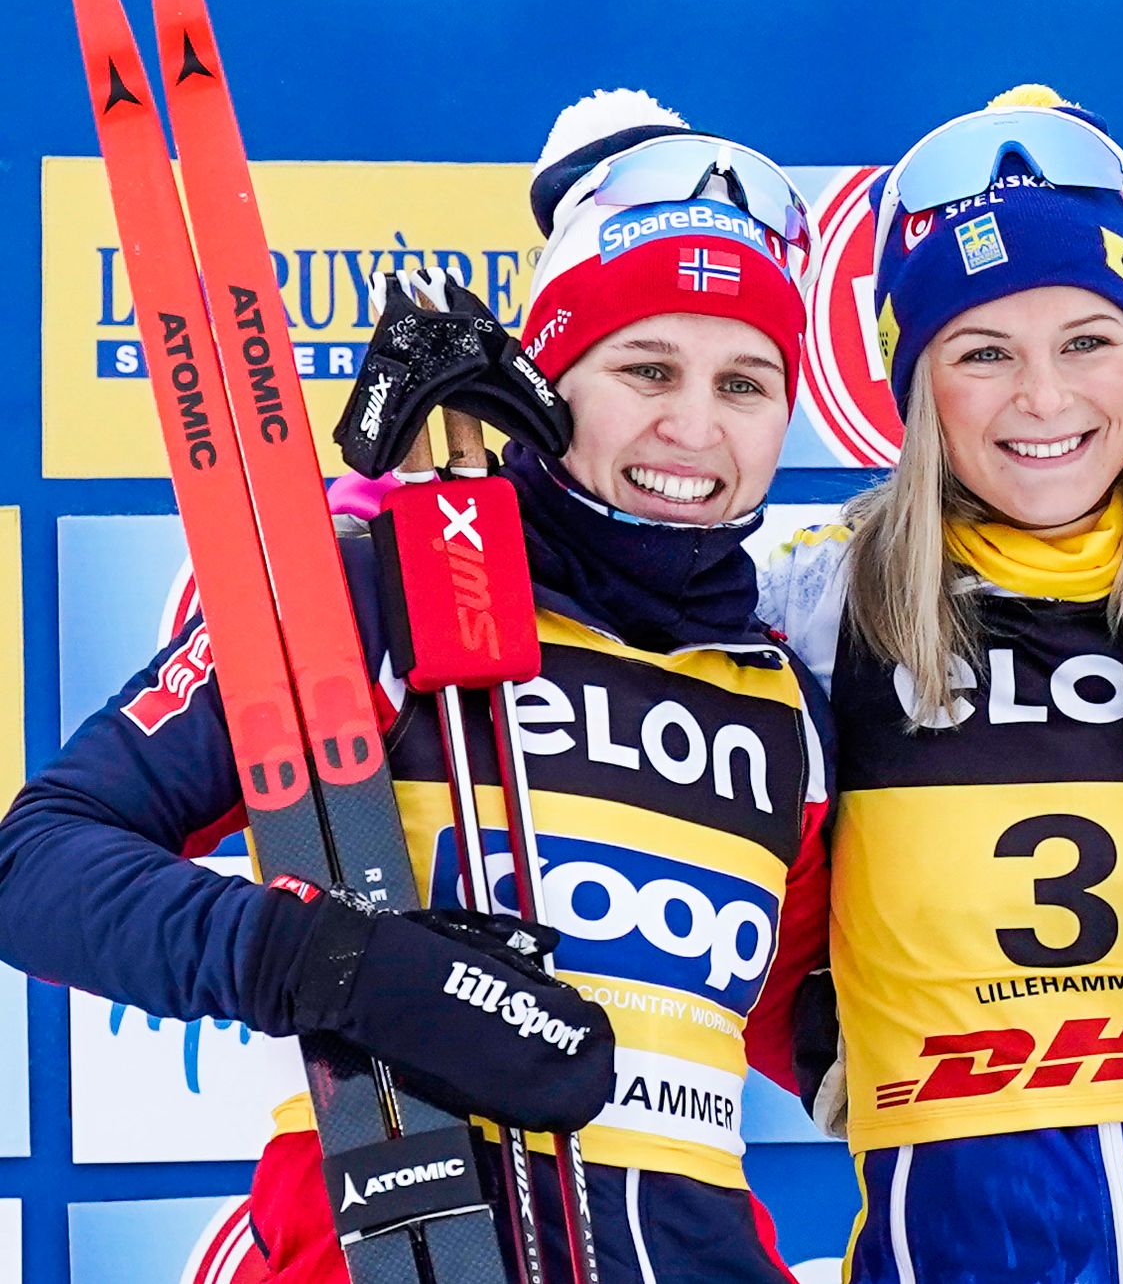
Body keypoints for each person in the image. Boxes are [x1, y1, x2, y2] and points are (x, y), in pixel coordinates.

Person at [0, 88, 832, 1284]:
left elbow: (827, 1023)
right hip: (396, 1243)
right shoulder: (384, 592)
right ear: (549, 377)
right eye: (646, 367)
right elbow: (39, 864)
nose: (693, 427)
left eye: (744, 384)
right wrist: (335, 966)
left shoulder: (779, 701)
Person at [761, 84, 1123, 1284]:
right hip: (958, 1234)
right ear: (916, 387)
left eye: (1087, 342)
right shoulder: (823, 599)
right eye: (983, 353)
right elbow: (625, 653)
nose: (1043, 400)